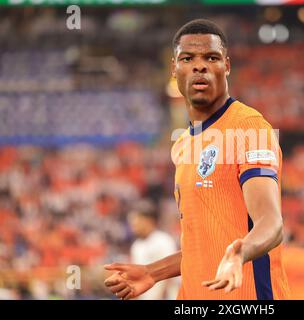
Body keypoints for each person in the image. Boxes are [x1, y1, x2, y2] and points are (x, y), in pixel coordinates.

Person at [104, 19, 290, 300]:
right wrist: (153, 272)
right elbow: (201, 244)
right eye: (188, 58)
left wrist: (241, 252)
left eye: (211, 57)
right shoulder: (183, 144)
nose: (199, 66)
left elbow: (270, 223)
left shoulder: (248, 127)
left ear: (226, 66)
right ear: (174, 68)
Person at [127, 200, 179, 300]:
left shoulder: (163, 240)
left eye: (137, 221)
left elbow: (171, 272)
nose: (134, 226)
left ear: (148, 221)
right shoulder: (136, 246)